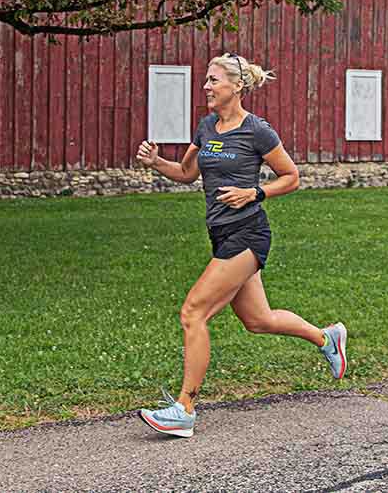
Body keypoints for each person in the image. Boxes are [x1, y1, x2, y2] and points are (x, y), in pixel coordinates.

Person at [135, 52, 347, 439]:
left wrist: (254, 192)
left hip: (248, 234)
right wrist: (156, 162)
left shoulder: (257, 131)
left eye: (213, 80)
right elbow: (185, 174)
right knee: (257, 320)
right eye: (206, 81)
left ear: (236, 86)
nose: (206, 87)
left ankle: (184, 408)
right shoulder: (206, 128)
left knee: (193, 312)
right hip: (221, 234)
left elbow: (291, 177)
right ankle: (326, 337)